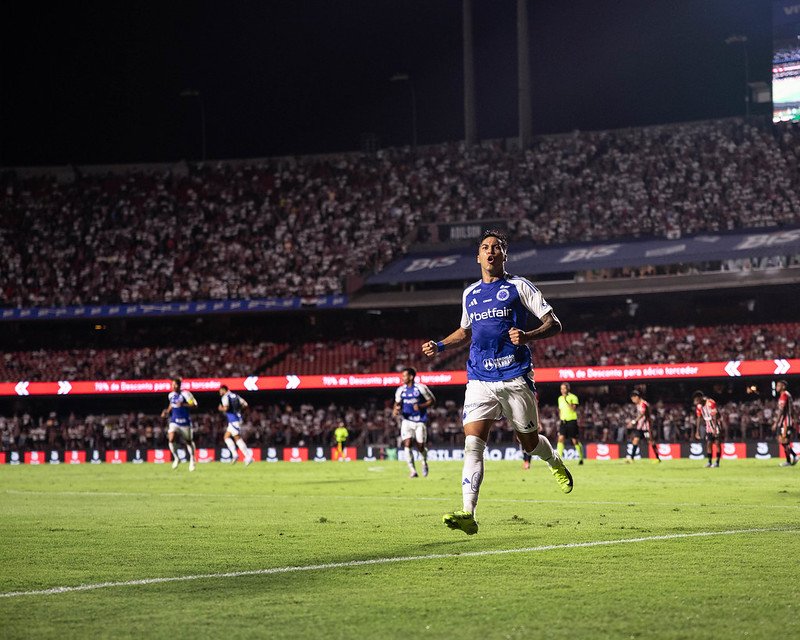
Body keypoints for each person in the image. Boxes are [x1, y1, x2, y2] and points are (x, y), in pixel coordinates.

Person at [422, 229, 572, 536]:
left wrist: (528, 335)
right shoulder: (470, 294)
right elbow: (465, 331)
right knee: (472, 445)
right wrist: (439, 345)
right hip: (479, 377)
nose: (491, 252)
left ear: (504, 256)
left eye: (496, 248)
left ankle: (554, 461)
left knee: (529, 444)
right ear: (478, 257)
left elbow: (553, 323)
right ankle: (468, 512)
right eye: (485, 248)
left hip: (515, 375)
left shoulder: (519, 286)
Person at [393, 367, 436, 478]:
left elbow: (432, 400)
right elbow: (397, 404)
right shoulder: (400, 390)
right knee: (407, 444)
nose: (402, 378)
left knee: (420, 446)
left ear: (411, 377)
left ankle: (424, 462)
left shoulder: (421, 388)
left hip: (420, 421)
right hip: (406, 421)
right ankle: (413, 471)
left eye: (404, 376)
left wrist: (421, 406)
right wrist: (396, 410)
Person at [161, 378, 197, 471]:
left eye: (175, 384)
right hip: (174, 421)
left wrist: (184, 405)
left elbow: (194, 405)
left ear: (179, 385)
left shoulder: (186, 394)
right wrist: (167, 412)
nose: (173, 386)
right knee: (171, 438)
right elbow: (171, 405)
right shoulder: (170, 395)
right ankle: (177, 458)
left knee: (188, 441)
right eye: (172, 384)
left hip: (185, 422)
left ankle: (192, 459)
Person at [218, 385, 253, 466]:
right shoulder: (236, 395)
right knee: (226, 437)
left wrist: (221, 409)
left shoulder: (225, 397)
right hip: (235, 419)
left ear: (224, 390)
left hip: (234, 420)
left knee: (237, 438)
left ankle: (248, 457)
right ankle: (235, 455)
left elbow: (226, 408)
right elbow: (245, 404)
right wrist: (238, 410)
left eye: (220, 390)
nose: (219, 392)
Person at [627, 390, 660, 463]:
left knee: (650, 441)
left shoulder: (643, 404)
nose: (632, 400)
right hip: (640, 427)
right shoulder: (638, 404)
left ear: (637, 397)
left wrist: (634, 421)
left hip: (646, 427)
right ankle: (631, 459)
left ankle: (657, 458)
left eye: (633, 398)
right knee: (635, 440)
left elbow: (642, 414)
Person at [692, 390, 723, 467]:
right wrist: (697, 431)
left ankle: (717, 462)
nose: (696, 401)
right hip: (708, 425)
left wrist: (715, 428)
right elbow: (699, 418)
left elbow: (715, 415)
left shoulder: (710, 403)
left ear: (700, 398)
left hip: (715, 424)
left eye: (697, 399)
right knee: (709, 443)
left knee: (717, 443)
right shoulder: (699, 406)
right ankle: (709, 462)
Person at [557, 382, 584, 465]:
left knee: (574, 440)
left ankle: (581, 458)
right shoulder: (559, 398)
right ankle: (558, 459)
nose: (562, 390)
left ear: (568, 389)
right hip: (563, 421)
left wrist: (566, 400)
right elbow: (560, 410)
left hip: (572, 420)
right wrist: (560, 418)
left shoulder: (573, 397)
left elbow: (573, 409)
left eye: (564, 388)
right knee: (561, 438)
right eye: (561, 388)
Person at [772, 380, 796, 467]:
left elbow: (781, 410)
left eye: (778, 386)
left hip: (785, 422)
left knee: (783, 440)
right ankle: (793, 456)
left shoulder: (784, 395)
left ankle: (790, 460)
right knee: (782, 440)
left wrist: (776, 422)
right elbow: (792, 409)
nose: (776, 387)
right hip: (787, 421)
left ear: (783, 387)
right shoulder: (787, 395)